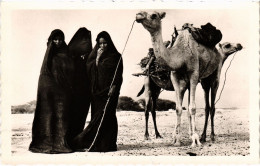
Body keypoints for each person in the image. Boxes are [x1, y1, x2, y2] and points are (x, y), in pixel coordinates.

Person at [71, 31, 123, 152]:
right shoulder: (94, 56)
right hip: (97, 92)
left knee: (108, 116)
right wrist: (97, 59)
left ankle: (109, 144)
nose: (103, 46)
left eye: (105, 43)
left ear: (109, 43)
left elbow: (119, 75)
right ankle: (97, 143)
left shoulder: (116, 56)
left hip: (110, 92)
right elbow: (89, 70)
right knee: (97, 117)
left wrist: (114, 87)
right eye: (100, 44)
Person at [29, 29, 74, 154]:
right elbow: (44, 76)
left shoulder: (67, 54)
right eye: (55, 39)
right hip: (48, 92)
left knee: (62, 117)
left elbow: (71, 72)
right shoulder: (48, 55)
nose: (58, 42)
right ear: (51, 40)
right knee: (47, 116)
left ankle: (61, 143)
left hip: (63, 92)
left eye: (60, 39)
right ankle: (45, 143)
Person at [66, 27, 93, 147]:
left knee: (81, 116)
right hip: (72, 92)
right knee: (71, 116)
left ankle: (77, 140)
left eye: (88, 39)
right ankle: (69, 141)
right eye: (84, 40)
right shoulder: (69, 55)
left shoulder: (91, 56)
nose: (86, 42)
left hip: (85, 92)